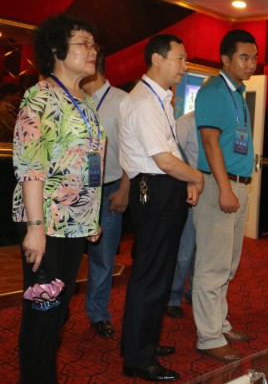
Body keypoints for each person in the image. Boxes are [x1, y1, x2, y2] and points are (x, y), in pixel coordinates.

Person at [12, 13, 104, 383]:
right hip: (47, 221)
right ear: (56, 49)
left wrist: (91, 218)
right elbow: (31, 166)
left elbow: (90, 162)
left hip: (75, 222)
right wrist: (35, 229)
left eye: (94, 44)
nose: (93, 50)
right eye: (83, 43)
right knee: (43, 311)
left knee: (59, 310)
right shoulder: (40, 96)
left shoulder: (86, 100)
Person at [119, 34, 204, 382]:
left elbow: (168, 156)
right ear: (157, 59)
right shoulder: (144, 102)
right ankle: (139, 358)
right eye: (179, 58)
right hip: (154, 189)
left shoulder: (159, 99)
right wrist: (196, 176)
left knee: (155, 272)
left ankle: (141, 344)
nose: (185, 65)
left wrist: (187, 180)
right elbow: (164, 160)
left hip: (161, 189)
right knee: (151, 276)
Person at [192, 29, 257, 362]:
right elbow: (209, 142)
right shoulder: (214, 91)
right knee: (212, 265)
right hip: (221, 186)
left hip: (237, 185)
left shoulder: (238, 93)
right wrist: (226, 188)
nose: (251, 64)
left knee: (227, 264)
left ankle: (220, 323)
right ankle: (209, 337)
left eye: (254, 58)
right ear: (225, 59)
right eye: (244, 57)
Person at [81, 52, 130, 339]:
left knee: (103, 257)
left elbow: (132, 150)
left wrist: (125, 189)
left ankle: (98, 314)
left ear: (92, 68)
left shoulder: (122, 101)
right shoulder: (72, 99)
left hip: (109, 189)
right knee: (66, 256)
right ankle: (57, 312)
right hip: (75, 190)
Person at [165, 110, 198, 319]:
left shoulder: (218, 120)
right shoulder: (186, 123)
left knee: (203, 251)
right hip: (189, 190)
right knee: (185, 251)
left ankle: (194, 292)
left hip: (211, 193)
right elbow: (175, 158)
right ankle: (173, 298)